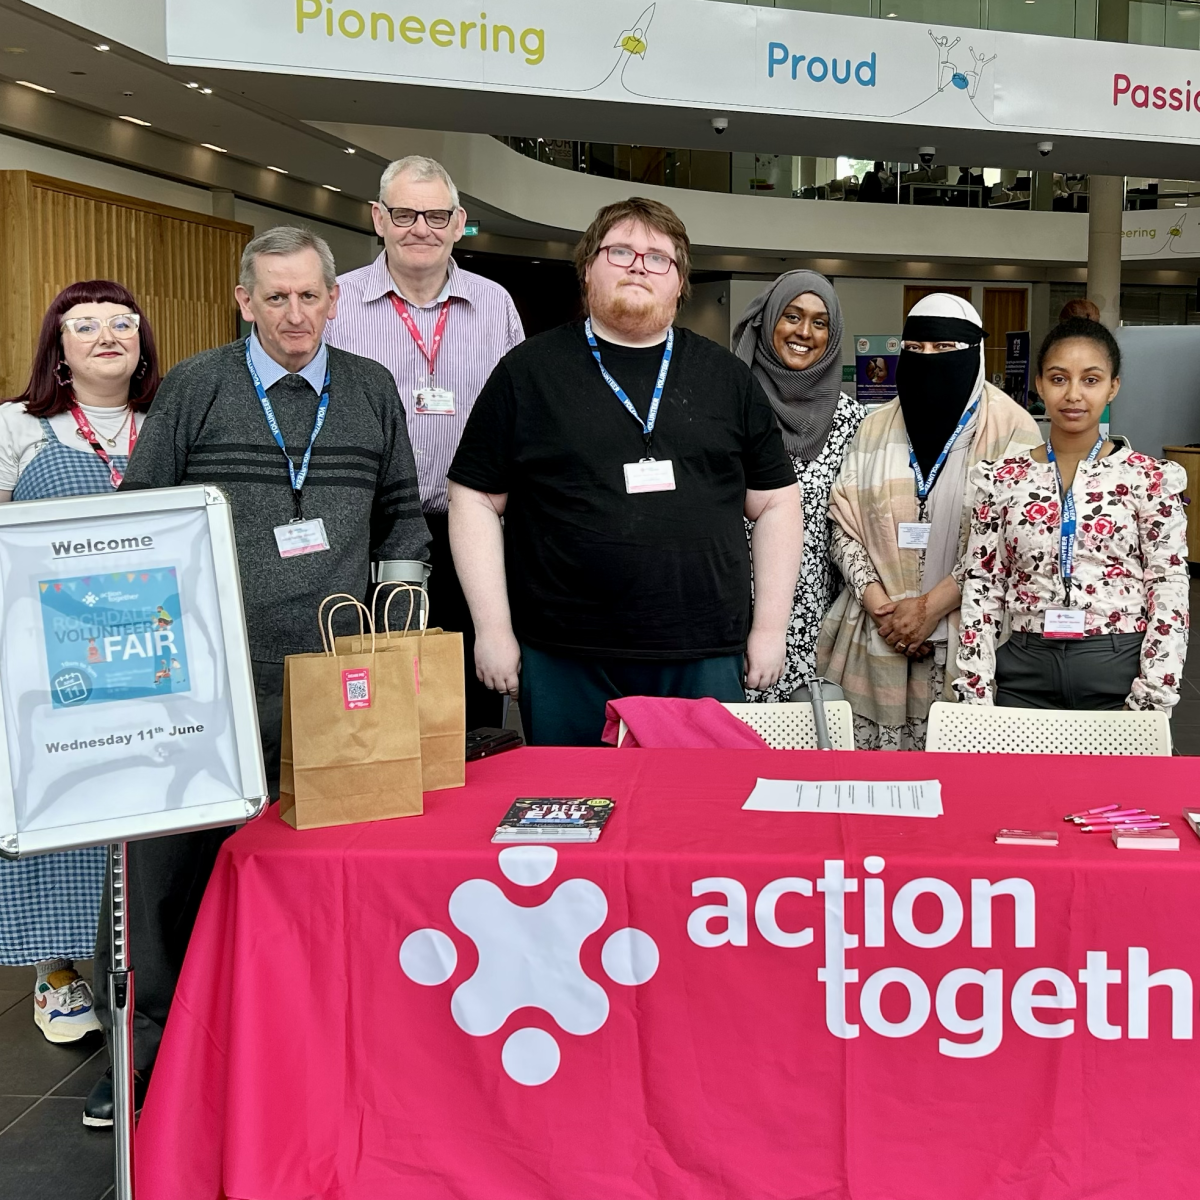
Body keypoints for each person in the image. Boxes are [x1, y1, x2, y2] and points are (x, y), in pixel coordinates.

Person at [84, 226, 429, 1127]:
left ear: (335, 298)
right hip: (209, 684)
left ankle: (300, 1052)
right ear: (244, 302)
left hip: (334, 683)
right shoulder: (197, 388)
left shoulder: (370, 388)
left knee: (317, 879)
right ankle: (144, 1063)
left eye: (310, 295)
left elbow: (400, 518)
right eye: (275, 298)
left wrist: (392, 642)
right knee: (168, 882)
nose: (295, 315)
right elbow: (142, 526)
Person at [447, 197, 802, 746]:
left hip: (703, 650)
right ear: (587, 268)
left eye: (658, 257)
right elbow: (473, 498)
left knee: (693, 816)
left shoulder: (727, 378)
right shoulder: (527, 372)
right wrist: (492, 631)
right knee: (571, 815)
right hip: (563, 653)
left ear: (680, 282)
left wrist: (771, 630)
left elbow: (777, 502)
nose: (639, 264)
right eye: (621, 251)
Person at [0, 282, 159, 1047]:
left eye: (120, 322)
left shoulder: (166, 424)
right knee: (64, 805)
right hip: (48, 655)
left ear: (143, 342)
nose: (105, 335)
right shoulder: (17, 426)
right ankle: (56, 969)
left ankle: (143, 973)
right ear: (57, 348)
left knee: (139, 813)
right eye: (84, 324)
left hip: (150, 648)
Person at [326, 155, 524, 730]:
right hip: (368, 531)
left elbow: (522, 420)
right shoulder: (336, 303)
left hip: (474, 528)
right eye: (405, 213)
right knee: (375, 697)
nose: (421, 228)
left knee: (470, 693)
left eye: (436, 215)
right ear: (378, 218)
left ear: (459, 222)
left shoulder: (495, 304)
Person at [816, 293, 1041, 750]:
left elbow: (1008, 541)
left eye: (944, 350)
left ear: (973, 352)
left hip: (968, 639)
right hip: (876, 636)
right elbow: (842, 524)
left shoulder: (1013, 430)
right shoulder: (874, 426)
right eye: (915, 350)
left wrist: (928, 609)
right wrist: (885, 608)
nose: (928, 360)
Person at [955, 318, 1188, 711]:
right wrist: (975, 690)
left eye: (1091, 380)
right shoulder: (1002, 479)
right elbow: (982, 583)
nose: (1074, 394)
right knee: (1020, 775)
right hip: (1025, 670)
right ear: (1040, 385)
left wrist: (1153, 692)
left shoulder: (1147, 478)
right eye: (1059, 379)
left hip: (1119, 667)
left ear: (1113, 386)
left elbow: (1168, 585)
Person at [732, 271, 865, 701]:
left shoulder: (853, 422)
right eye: (791, 316)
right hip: (727, 615)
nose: (804, 332)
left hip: (818, 626)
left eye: (820, 322)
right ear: (768, 321)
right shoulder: (727, 407)